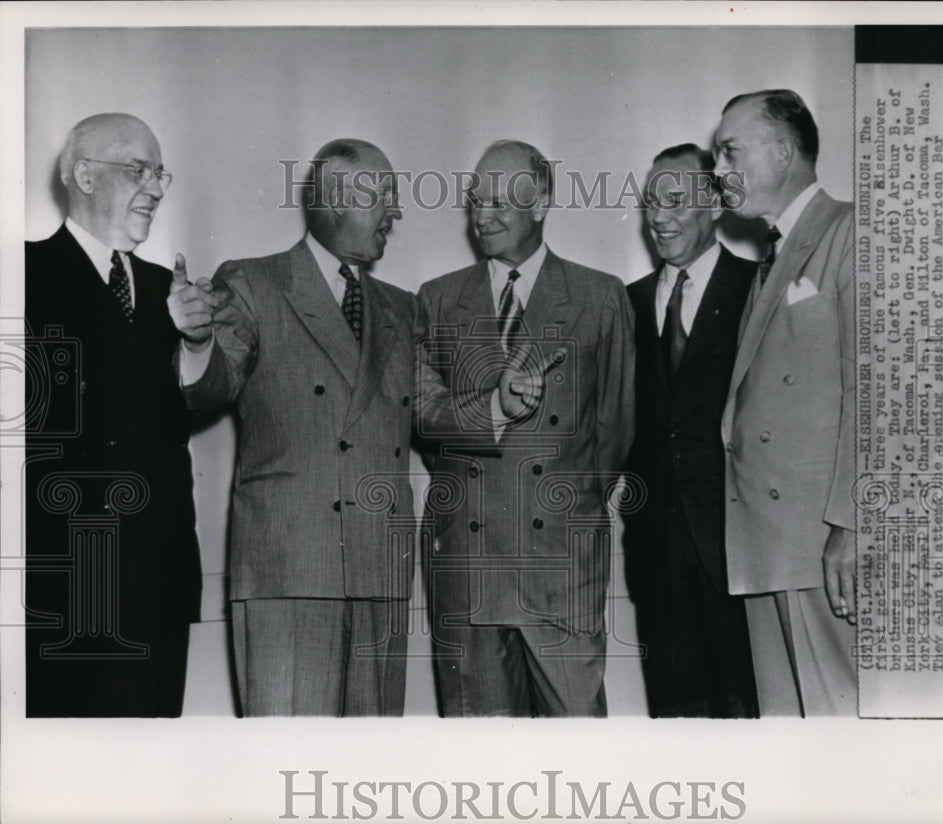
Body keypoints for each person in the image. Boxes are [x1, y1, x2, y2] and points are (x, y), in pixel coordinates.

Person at [178, 139, 416, 716]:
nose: (397, 211)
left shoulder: (404, 308)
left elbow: (430, 407)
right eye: (383, 194)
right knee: (285, 769)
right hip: (289, 573)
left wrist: (500, 405)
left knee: (373, 782)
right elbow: (210, 389)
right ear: (336, 200)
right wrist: (198, 340)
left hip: (379, 572)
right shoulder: (255, 283)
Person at [416, 140, 635, 717]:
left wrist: (565, 509)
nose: (481, 214)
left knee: (578, 744)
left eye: (499, 200)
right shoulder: (437, 300)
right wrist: (490, 407)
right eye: (474, 199)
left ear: (540, 203)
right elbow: (421, 413)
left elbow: (613, 431)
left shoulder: (599, 296)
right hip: (468, 564)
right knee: (481, 759)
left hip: (560, 565)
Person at [24, 113, 211, 716]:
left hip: (159, 580)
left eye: (160, 174)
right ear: (83, 174)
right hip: (65, 589)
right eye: (138, 170)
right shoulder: (20, 274)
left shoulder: (169, 291)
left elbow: (192, 414)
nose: (155, 188)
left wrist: (197, 342)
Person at [713, 89, 856, 715]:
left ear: (781, 151)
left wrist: (854, 526)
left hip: (823, 548)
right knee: (791, 741)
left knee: (840, 733)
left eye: (729, 152)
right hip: (766, 547)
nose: (718, 171)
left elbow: (877, 397)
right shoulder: (771, 256)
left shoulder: (851, 230)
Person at [623, 144, 758, 718]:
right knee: (673, 719)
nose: (660, 216)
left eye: (676, 200)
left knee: (749, 713)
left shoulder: (756, 288)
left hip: (741, 546)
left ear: (715, 207)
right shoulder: (624, 303)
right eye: (652, 201)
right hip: (654, 550)